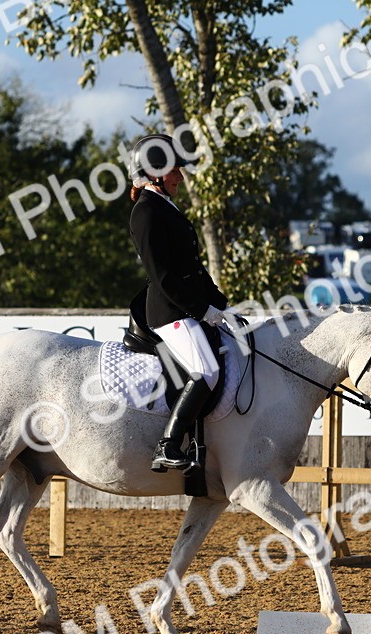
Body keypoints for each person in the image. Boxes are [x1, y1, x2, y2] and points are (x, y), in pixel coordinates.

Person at [128, 134, 229, 473]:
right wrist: (203, 310)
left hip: (187, 307)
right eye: (175, 171)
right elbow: (164, 277)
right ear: (156, 171)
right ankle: (168, 444)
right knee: (208, 371)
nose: (180, 178)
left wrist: (221, 305)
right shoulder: (146, 212)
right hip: (169, 312)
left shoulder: (165, 207)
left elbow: (194, 269)